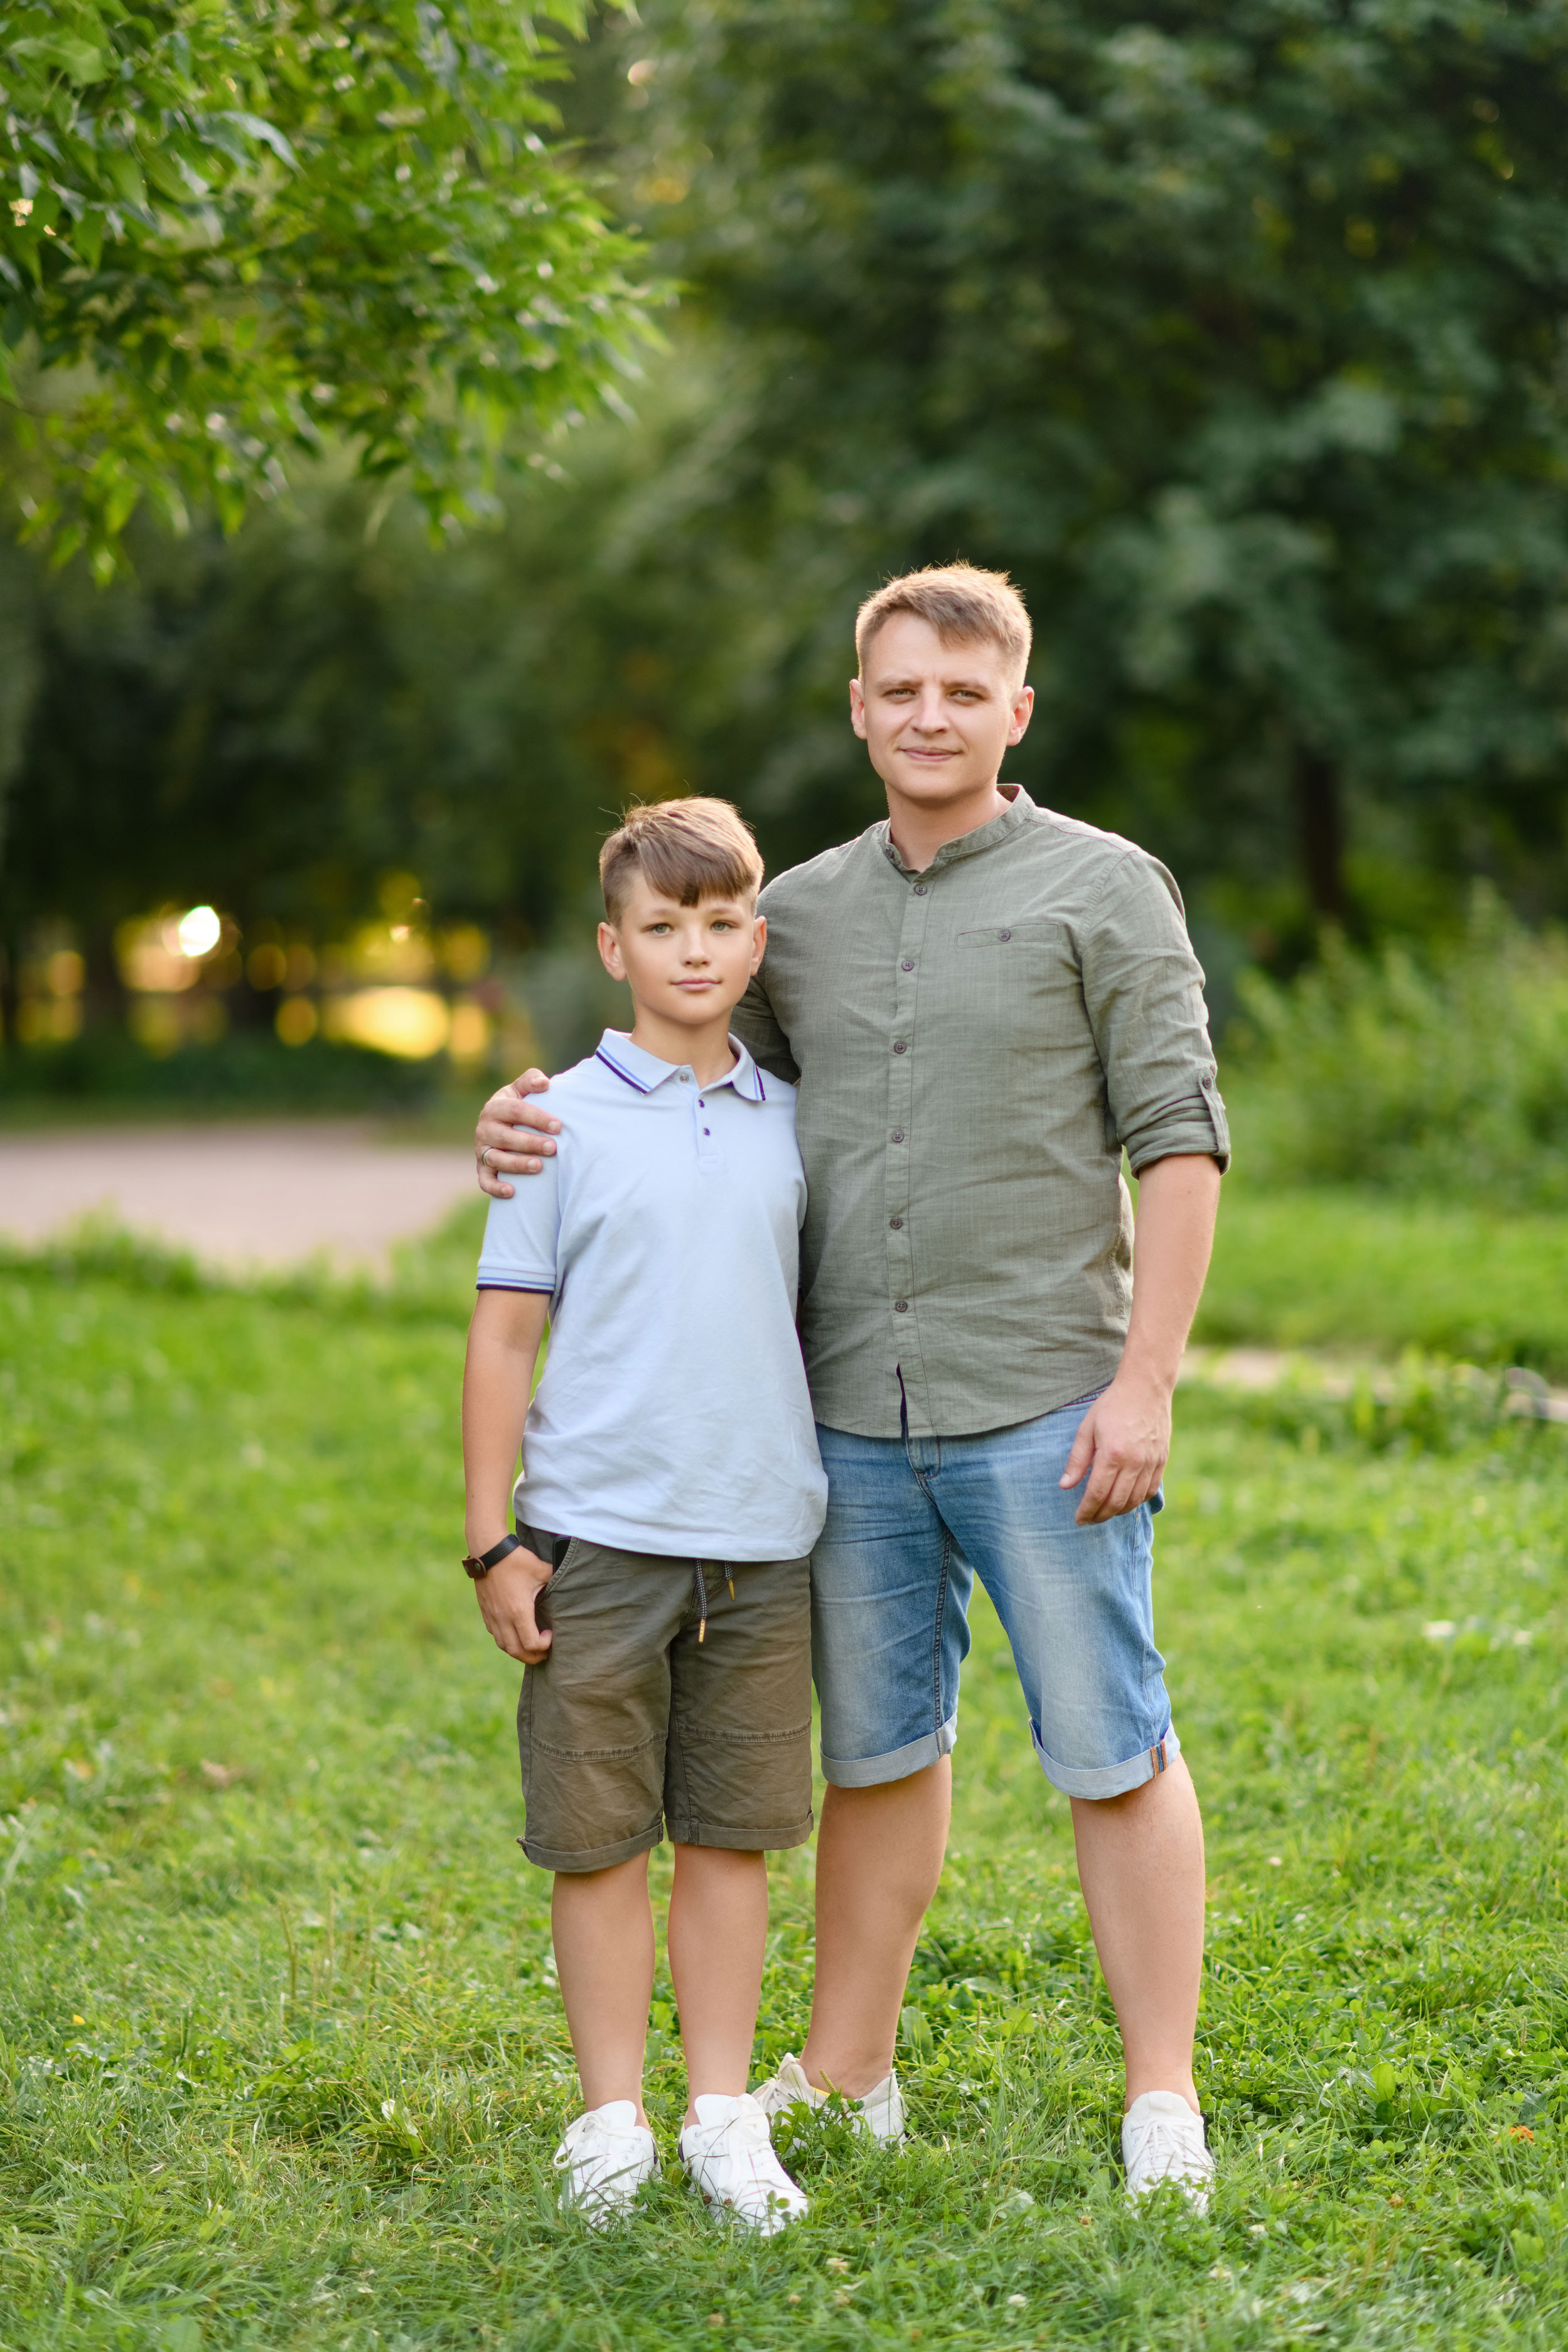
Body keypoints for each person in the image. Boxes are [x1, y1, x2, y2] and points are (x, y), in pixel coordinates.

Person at [475, 564, 1230, 2206]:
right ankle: (846, 2071)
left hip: (1050, 1405)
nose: (928, 715)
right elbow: (685, 1077)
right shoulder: (794, 913)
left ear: (1016, 709)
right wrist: (523, 1122)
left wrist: (1146, 1383)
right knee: (877, 1752)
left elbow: (1179, 1141)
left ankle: (1161, 2095)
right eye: (899, 689)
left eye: (962, 691)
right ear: (858, 709)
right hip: (843, 1427)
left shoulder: (1107, 889)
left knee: (1111, 1743)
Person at [461, 796, 830, 2231]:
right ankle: (608, 2118)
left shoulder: (793, 1119)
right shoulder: (554, 1119)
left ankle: (722, 2115)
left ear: (757, 941)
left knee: (731, 1835)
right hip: (597, 1543)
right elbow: (504, 1334)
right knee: (599, 1836)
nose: (694, 949)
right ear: (613, 947)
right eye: (663, 925)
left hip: (761, 1544)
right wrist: (493, 1538)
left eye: (721, 922)